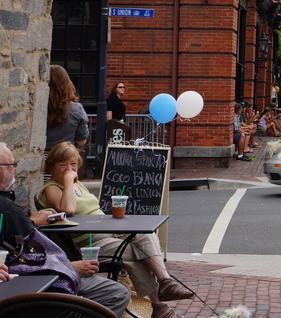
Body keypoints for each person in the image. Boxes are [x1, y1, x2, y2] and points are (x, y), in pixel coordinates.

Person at [39, 143, 193, 318]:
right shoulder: (51, 188)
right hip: (89, 240)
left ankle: (165, 281)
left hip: (108, 228)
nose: (69, 169)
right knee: (135, 255)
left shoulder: (78, 185)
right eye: (63, 165)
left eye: (73, 164)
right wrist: (68, 180)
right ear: (51, 166)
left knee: (144, 233)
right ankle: (159, 305)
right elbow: (69, 209)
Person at [0, 142, 130, 317]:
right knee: (117, 291)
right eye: (12, 165)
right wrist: (69, 266)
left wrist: (30, 217)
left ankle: (160, 291)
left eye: (73, 164)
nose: (14, 170)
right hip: (38, 282)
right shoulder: (12, 207)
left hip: (40, 273)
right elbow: (31, 259)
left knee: (140, 246)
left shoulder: (11, 209)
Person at [46, 65, 90, 152]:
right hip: (64, 156)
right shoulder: (77, 108)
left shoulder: (37, 108)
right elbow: (82, 141)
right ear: (67, 83)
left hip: (40, 157)